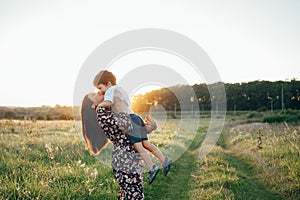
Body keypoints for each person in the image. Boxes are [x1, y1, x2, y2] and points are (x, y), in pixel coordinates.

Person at [93, 70, 172, 184]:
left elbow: (108, 103)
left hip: (129, 119)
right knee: (147, 144)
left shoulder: (111, 90)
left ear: (108, 84)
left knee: (139, 147)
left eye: (100, 88)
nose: (100, 91)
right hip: (136, 117)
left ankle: (151, 167)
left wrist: (99, 106)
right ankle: (164, 160)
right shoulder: (121, 90)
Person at [82, 92, 144, 199]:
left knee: (130, 193)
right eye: (94, 95)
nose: (98, 92)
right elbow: (129, 124)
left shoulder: (108, 112)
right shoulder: (102, 115)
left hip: (128, 158)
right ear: (93, 105)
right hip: (125, 161)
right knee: (133, 194)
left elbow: (133, 130)